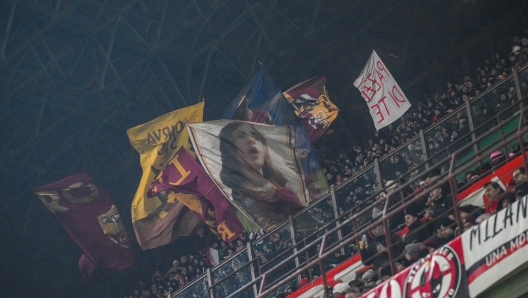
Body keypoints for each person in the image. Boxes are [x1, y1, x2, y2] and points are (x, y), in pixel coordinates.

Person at [219, 121, 306, 230]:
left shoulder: (278, 177)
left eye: (256, 136)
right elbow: (264, 220)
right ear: (230, 151)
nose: (251, 140)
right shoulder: (240, 194)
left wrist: (295, 154)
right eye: (241, 136)